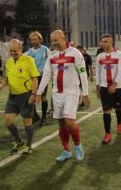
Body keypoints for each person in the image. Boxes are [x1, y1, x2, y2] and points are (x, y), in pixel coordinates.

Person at [36, 30, 90, 162]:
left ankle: (78, 147)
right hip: (56, 94)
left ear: (63, 38)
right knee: (61, 123)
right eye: (52, 40)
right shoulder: (52, 55)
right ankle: (66, 150)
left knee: (69, 121)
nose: (53, 43)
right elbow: (46, 76)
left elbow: (83, 73)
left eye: (56, 40)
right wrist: (38, 92)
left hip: (71, 93)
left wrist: (85, 94)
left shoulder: (75, 53)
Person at [0, 39, 39, 156]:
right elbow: (7, 79)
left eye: (15, 51)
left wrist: (33, 94)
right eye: (11, 51)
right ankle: (19, 141)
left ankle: (29, 145)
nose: (13, 53)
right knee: (8, 121)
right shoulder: (9, 61)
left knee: (27, 122)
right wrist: (0, 85)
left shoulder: (28, 60)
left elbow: (35, 78)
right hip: (12, 96)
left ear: (21, 49)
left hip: (25, 95)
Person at [96, 34, 121, 144]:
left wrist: (114, 84)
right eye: (102, 41)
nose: (104, 43)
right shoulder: (99, 56)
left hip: (117, 87)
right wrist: (98, 86)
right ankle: (107, 134)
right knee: (106, 111)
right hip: (104, 87)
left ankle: (119, 125)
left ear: (111, 42)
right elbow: (98, 73)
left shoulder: (119, 55)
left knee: (118, 108)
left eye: (106, 41)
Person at [26, 31, 51, 126]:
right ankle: (35, 116)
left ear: (40, 39)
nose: (34, 41)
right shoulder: (29, 51)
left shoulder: (45, 50)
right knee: (32, 96)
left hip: (42, 77)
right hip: (33, 78)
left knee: (43, 97)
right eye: (32, 39)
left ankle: (44, 117)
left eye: (36, 39)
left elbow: (51, 61)